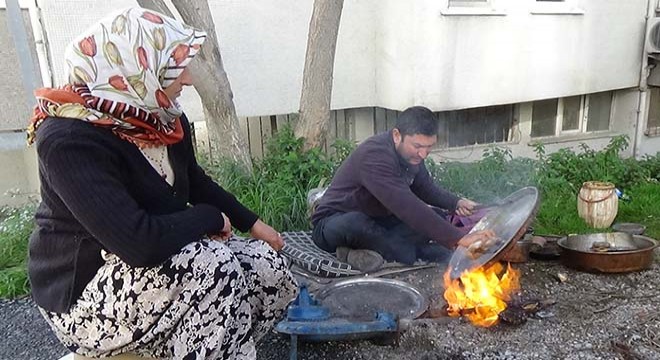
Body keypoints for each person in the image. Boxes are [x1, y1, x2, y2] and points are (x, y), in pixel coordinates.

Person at [26, 7, 297, 359]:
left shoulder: (164, 119)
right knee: (212, 265)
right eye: (174, 66)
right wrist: (211, 219)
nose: (186, 79)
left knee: (267, 267)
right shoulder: (69, 139)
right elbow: (138, 243)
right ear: (137, 69)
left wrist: (255, 225)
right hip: (86, 293)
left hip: (156, 272)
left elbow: (195, 181)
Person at [311, 106, 493, 272]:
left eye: (429, 147)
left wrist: (456, 202)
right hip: (334, 223)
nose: (423, 154)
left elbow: (425, 189)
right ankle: (416, 252)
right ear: (397, 135)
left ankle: (367, 251)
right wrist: (457, 238)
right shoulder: (374, 155)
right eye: (418, 146)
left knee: (437, 216)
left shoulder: (411, 156)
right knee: (356, 223)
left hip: (380, 221)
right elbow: (406, 205)